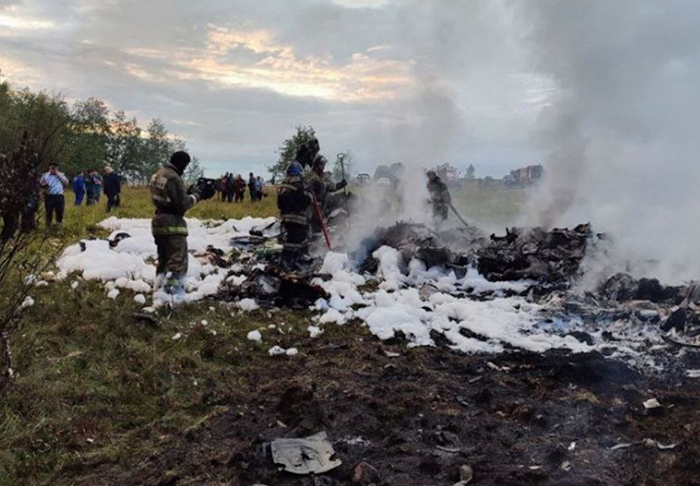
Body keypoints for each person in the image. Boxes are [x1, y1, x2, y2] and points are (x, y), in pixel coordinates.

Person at [150, 151, 215, 299]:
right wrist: (199, 195)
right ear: (183, 164)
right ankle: (172, 293)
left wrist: (187, 192)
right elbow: (182, 204)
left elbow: (168, 197)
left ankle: (158, 287)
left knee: (163, 259)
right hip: (172, 223)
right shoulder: (174, 178)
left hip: (158, 221)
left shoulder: (158, 174)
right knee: (178, 259)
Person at [277, 159, 311, 271]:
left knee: (291, 240)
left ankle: (289, 261)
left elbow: (280, 204)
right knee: (297, 242)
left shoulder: (283, 187)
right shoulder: (298, 186)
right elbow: (304, 202)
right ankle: (293, 261)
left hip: (287, 219)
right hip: (298, 220)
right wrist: (309, 196)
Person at [304, 155, 347, 232]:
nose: (323, 167)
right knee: (313, 226)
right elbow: (310, 187)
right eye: (321, 164)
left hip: (320, 207)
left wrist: (340, 184)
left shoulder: (322, 176)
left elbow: (330, 186)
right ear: (316, 165)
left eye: (323, 165)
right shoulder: (310, 176)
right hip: (311, 207)